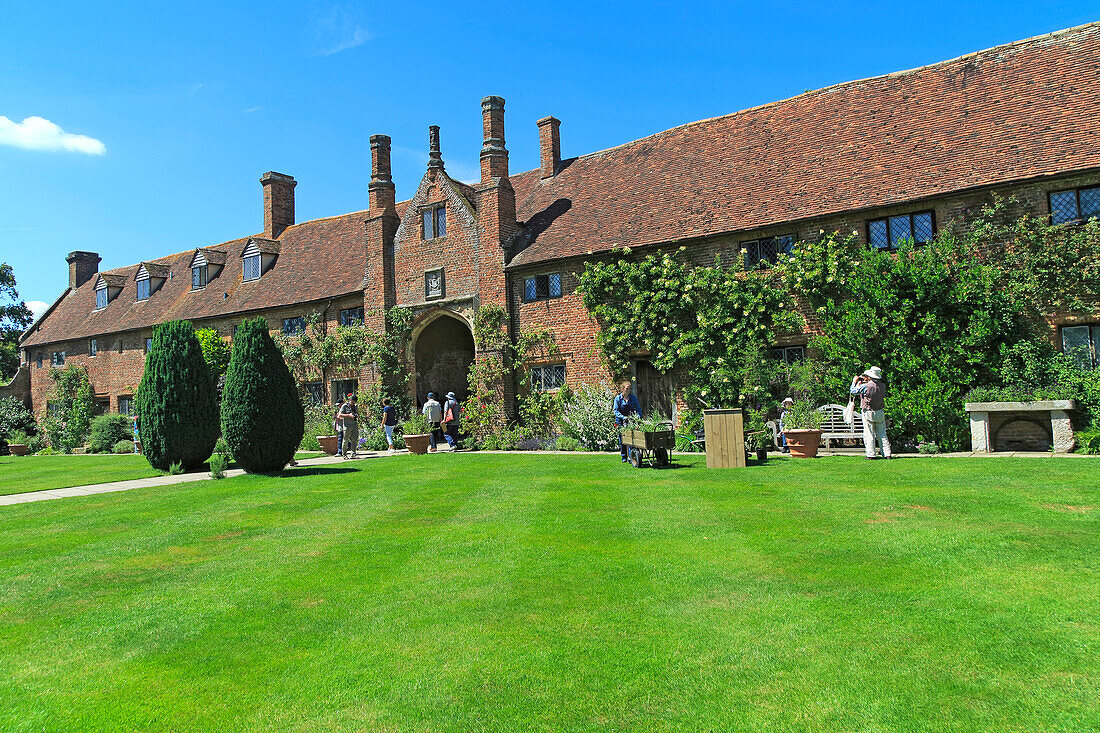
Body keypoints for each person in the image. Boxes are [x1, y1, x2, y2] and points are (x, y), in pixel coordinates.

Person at [850, 366, 892, 459]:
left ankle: (871, 454)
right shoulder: (882, 386)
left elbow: (853, 392)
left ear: (869, 377)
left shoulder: (865, 386)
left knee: (869, 434)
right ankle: (887, 453)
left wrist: (854, 382)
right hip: (880, 411)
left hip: (868, 412)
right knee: (882, 434)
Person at [612, 381, 642, 463]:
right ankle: (624, 457)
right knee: (622, 439)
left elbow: (638, 409)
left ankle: (631, 457)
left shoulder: (633, 398)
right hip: (620, 421)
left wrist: (638, 417)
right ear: (622, 389)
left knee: (631, 439)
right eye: (627, 389)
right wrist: (623, 417)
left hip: (630, 420)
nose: (629, 390)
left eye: (630, 389)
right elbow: (616, 411)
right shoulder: (618, 399)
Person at [338, 393, 360, 459]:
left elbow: (357, 413)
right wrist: (348, 415)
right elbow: (340, 415)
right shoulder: (344, 406)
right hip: (347, 425)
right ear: (350, 400)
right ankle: (344, 454)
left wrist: (356, 415)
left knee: (354, 439)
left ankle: (353, 453)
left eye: (354, 402)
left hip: (354, 424)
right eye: (352, 402)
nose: (353, 403)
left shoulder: (355, 406)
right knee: (345, 439)